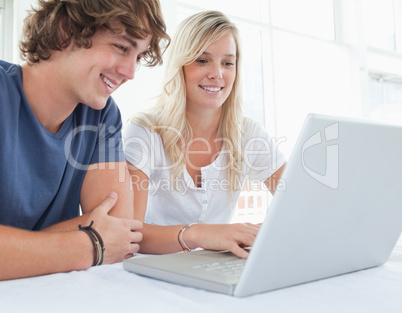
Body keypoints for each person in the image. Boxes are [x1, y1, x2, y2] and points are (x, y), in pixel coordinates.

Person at [0, 0, 169, 280]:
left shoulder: (102, 116)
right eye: (122, 47)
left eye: (137, 56)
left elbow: (120, 234)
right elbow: (104, 242)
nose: (130, 72)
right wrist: (90, 244)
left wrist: (21, 252)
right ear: (66, 30)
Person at [123, 10, 286, 259]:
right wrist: (198, 234)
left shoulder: (249, 134)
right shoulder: (146, 131)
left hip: (214, 266)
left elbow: (300, 202)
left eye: (227, 63)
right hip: (153, 268)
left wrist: (263, 233)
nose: (217, 74)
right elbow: (129, 233)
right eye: (202, 60)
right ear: (181, 66)